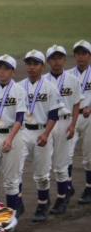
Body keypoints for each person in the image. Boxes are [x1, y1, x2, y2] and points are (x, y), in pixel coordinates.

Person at [17, 50, 64, 221]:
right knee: (15, 170)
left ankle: (42, 205)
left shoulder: (50, 88)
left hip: (42, 132)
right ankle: (17, 203)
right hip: (22, 132)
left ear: (42, 66)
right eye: (28, 63)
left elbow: (54, 115)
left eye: (35, 64)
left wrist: (46, 134)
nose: (31, 67)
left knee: (42, 175)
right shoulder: (18, 87)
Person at [0, 55, 27, 210]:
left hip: (13, 135)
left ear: (13, 72)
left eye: (6, 68)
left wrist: (10, 138)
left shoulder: (19, 91)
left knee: (11, 181)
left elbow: (20, 117)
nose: (2, 71)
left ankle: (12, 217)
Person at [44, 45, 82, 214]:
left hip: (64, 123)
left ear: (65, 60)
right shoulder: (42, 81)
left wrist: (73, 124)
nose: (57, 61)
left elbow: (76, 103)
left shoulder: (73, 80)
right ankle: (46, 198)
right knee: (45, 164)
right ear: (48, 61)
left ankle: (62, 199)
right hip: (46, 124)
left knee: (61, 164)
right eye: (53, 58)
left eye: (59, 58)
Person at [67, 40, 91, 204]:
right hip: (71, 118)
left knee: (89, 156)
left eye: (84, 53)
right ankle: (68, 186)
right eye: (78, 53)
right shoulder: (67, 76)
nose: (81, 56)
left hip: (90, 118)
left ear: (89, 56)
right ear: (74, 56)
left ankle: (89, 188)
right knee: (66, 155)